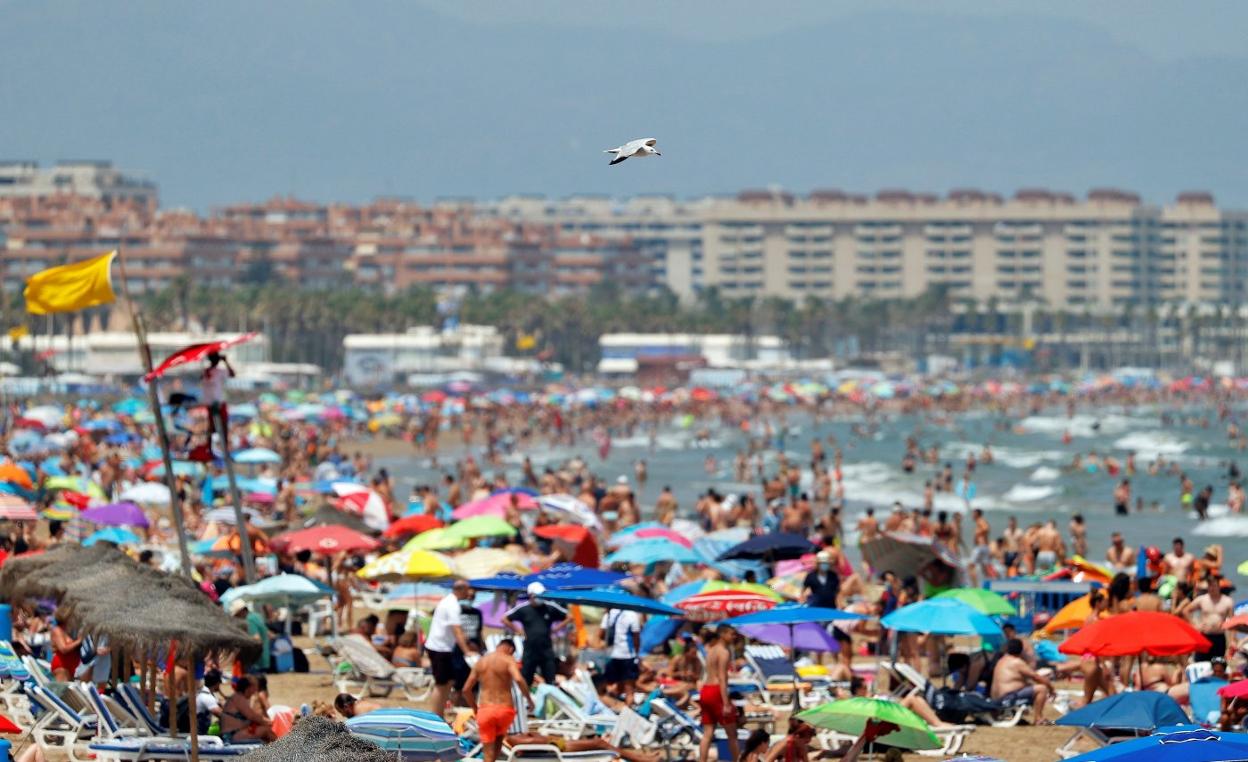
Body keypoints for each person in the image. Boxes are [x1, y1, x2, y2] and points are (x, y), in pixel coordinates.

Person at [463, 639, 533, 762]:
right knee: (497, 747)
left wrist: (475, 708)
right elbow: (519, 679)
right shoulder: (508, 659)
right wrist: (529, 699)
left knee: (488, 753)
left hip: (485, 710)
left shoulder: (481, 662)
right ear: (510, 649)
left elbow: (466, 690)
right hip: (505, 710)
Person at [426, 580, 476, 718]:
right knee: (441, 684)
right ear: (462, 590)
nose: (470, 593)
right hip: (440, 648)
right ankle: (436, 717)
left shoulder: (448, 601)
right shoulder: (452, 605)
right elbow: (457, 630)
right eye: (468, 589)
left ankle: (439, 714)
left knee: (448, 682)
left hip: (443, 647)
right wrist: (467, 651)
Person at [505, 582, 568, 687]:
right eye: (537, 595)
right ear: (530, 595)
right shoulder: (524, 609)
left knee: (550, 679)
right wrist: (518, 630)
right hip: (530, 650)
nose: (540, 598)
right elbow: (505, 619)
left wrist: (556, 629)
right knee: (526, 679)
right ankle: (526, 701)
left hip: (546, 650)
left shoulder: (550, 607)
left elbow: (569, 617)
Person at [698, 626, 739, 762]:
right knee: (732, 733)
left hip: (706, 690)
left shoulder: (711, 649)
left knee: (707, 733)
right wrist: (726, 703)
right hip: (716, 691)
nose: (734, 637)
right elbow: (722, 677)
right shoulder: (724, 652)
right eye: (732, 634)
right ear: (722, 634)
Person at [991, 638, 1052, 722]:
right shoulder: (1017, 662)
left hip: (998, 698)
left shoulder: (1001, 660)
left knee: (1030, 685)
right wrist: (1051, 688)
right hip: (1007, 698)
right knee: (1042, 689)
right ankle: (1038, 718)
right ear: (1021, 650)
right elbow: (1036, 677)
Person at [1180, 576, 1233, 662]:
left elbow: (1232, 623)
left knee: (1218, 664)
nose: (1212, 588)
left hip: (1219, 637)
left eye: (1214, 586)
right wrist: (1195, 625)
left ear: (1219, 586)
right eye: (1210, 586)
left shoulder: (1227, 601)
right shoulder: (1202, 599)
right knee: (1200, 662)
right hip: (1204, 636)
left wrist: (1231, 641)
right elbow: (1186, 611)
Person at [602, 605, 642, 705]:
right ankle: (627, 714)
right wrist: (637, 655)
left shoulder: (608, 614)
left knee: (611, 688)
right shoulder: (632, 614)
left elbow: (601, 634)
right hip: (627, 655)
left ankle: (613, 710)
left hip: (611, 655)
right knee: (629, 691)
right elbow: (636, 637)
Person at [219, 676, 275, 743]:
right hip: (231, 736)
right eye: (254, 687)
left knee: (264, 731)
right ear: (249, 688)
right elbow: (252, 716)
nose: (255, 690)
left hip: (235, 733)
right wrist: (269, 721)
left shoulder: (238, 697)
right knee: (266, 730)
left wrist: (266, 721)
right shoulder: (238, 698)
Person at [228, 599, 271, 674]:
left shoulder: (249, 620)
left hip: (255, 662)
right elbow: (268, 634)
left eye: (237, 615)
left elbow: (256, 639)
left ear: (241, 611)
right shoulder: (257, 616)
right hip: (264, 658)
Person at [48, 610, 83, 682]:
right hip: (62, 666)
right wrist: (78, 641)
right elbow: (63, 648)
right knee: (60, 692)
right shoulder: (57, 630)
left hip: (71, 667)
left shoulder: (69, 631)